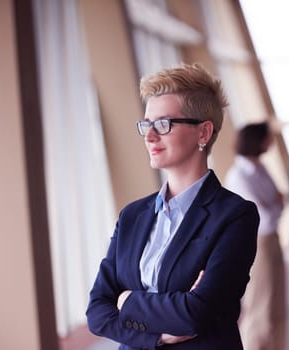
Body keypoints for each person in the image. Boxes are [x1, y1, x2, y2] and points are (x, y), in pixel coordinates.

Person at [86, 63, 260, 350]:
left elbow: (196, 313)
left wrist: (127, 299)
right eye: (146, 124)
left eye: (164, 124)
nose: (150, 136)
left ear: (203, 133)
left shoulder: (234, 216)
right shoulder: (132, 216)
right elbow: (97, 311)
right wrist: (157, 337)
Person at [224, 121, 286, 350]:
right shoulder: (239, 175)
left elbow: (279, 203)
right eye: (267, 138)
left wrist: (275, 205)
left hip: (272, 239)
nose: (270, 142)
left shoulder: (260, 168)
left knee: (277, 307)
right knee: (260, 306)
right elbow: (265, 215)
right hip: (257, 243)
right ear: (256, 141)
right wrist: (275, 204)